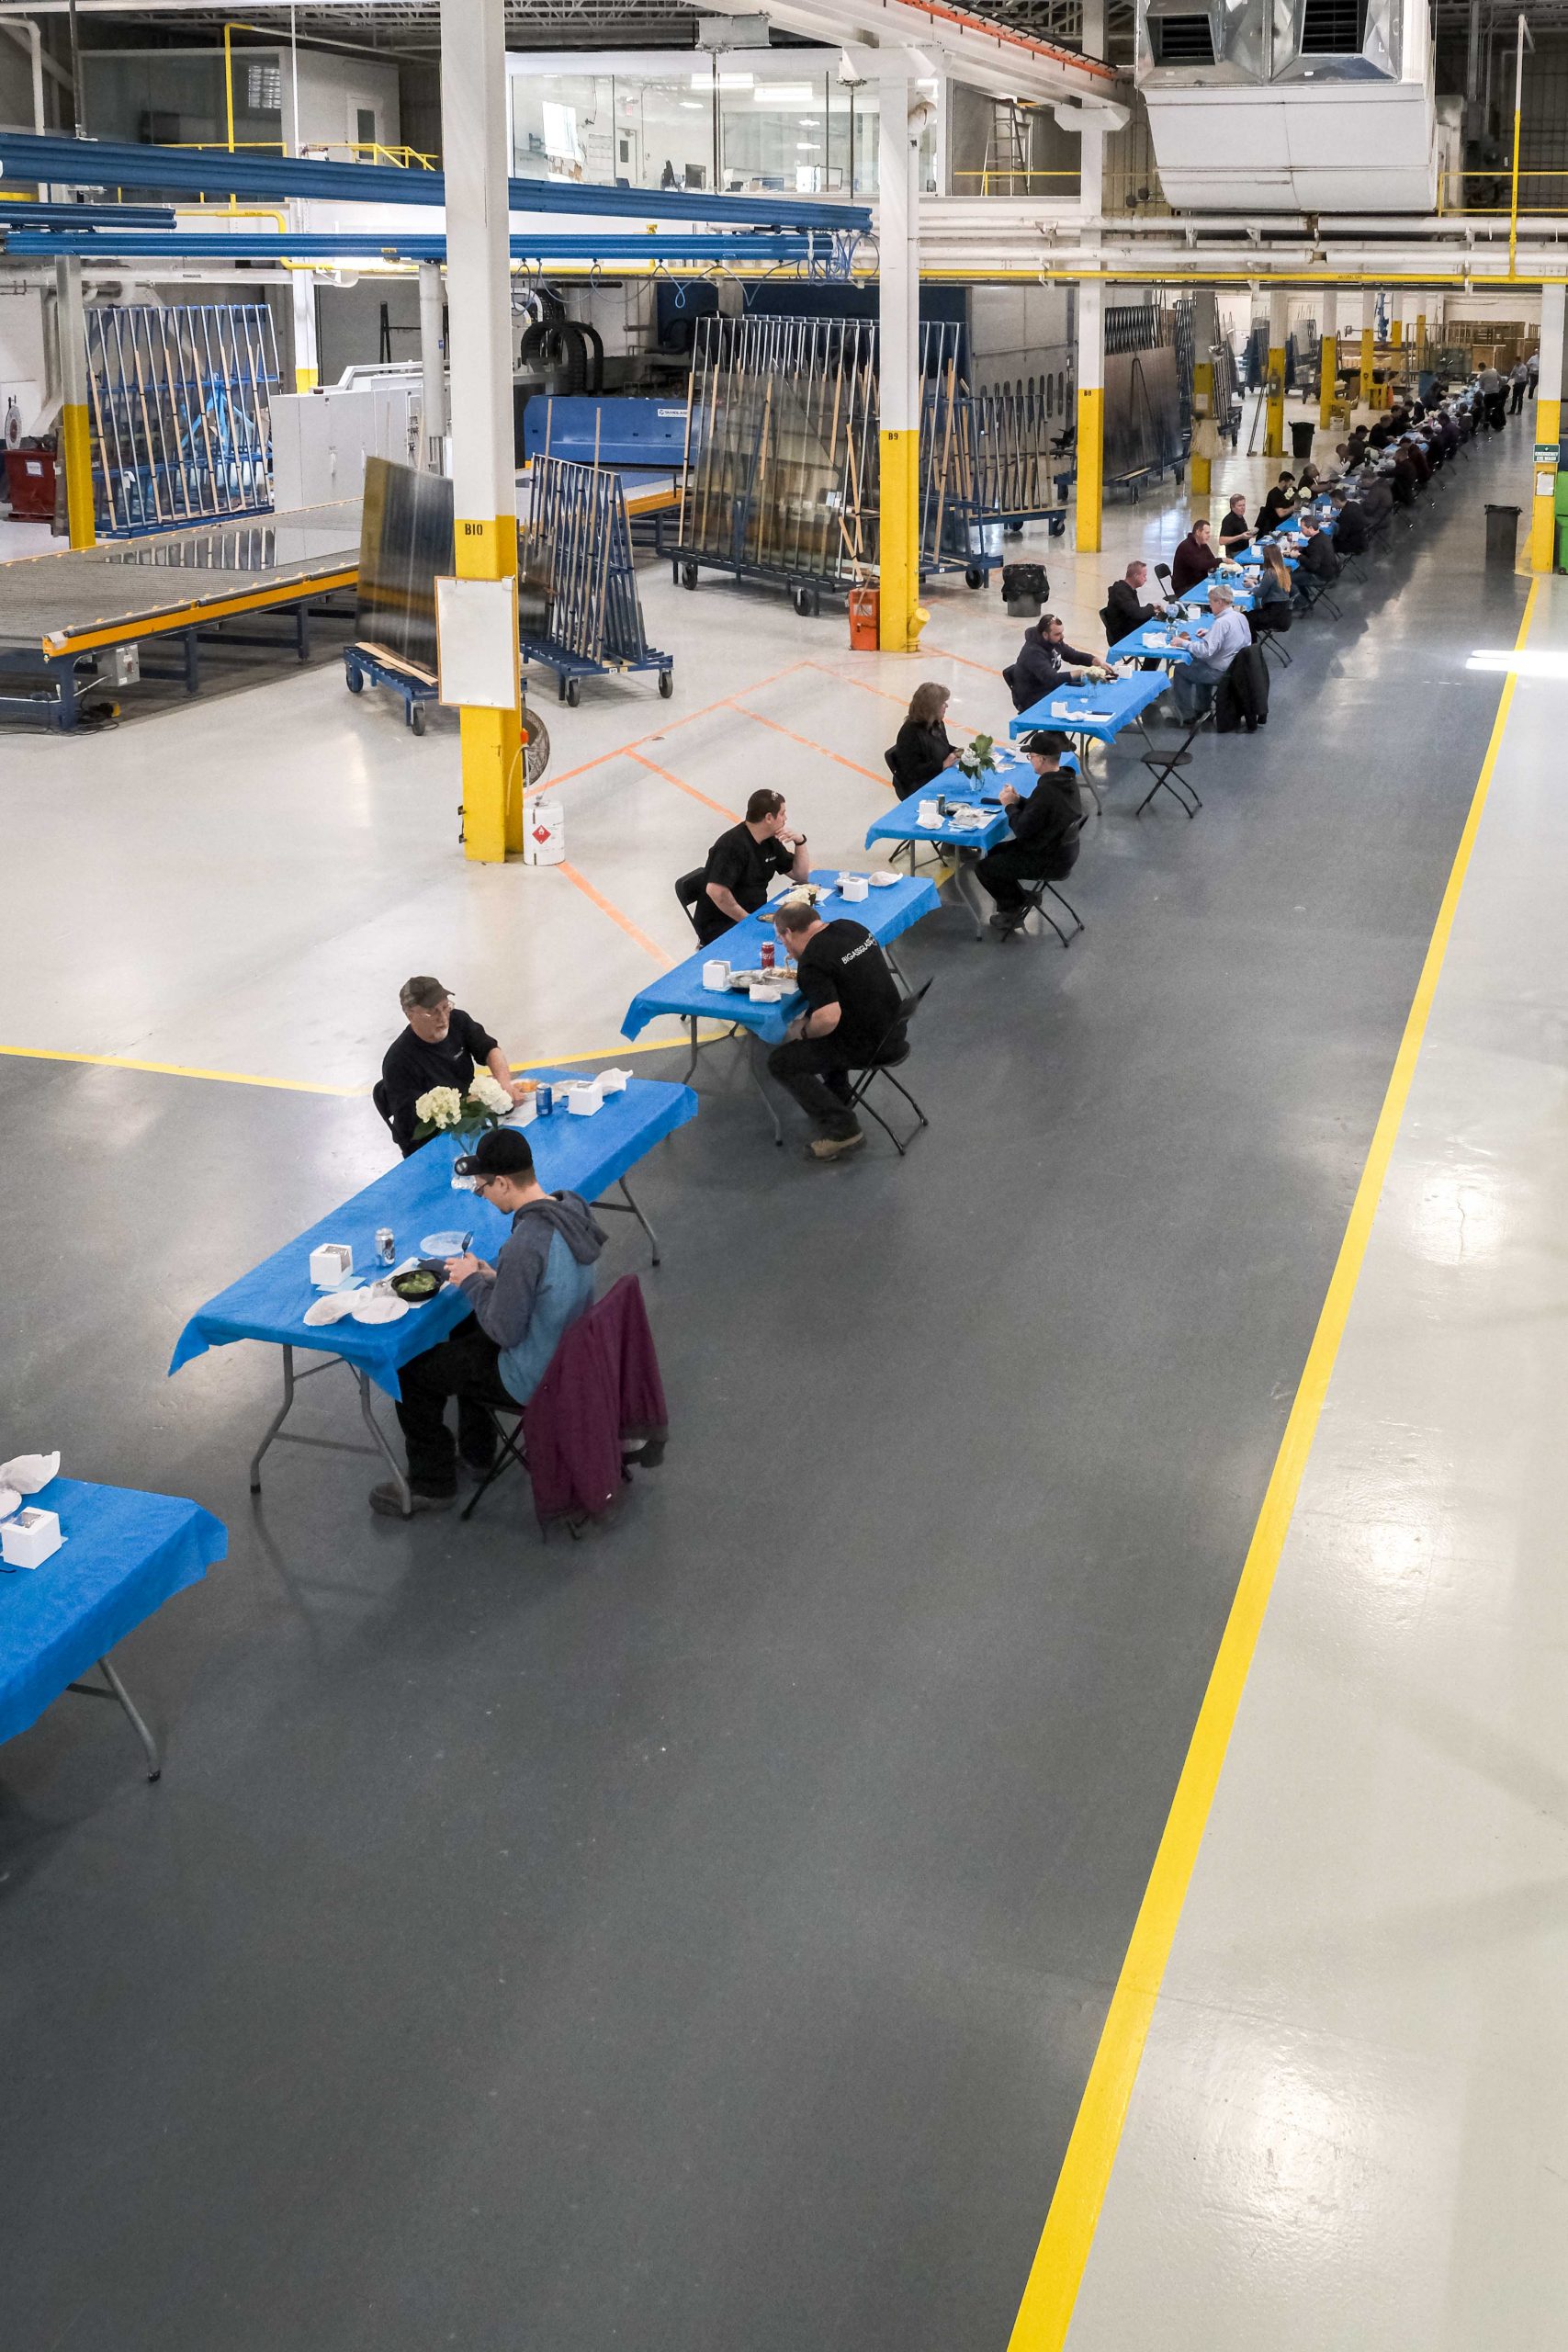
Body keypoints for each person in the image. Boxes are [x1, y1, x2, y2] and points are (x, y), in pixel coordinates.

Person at [372, 1129, 605, 1515]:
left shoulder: (525, 1242)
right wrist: (496, 1278)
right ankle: (478, 1455)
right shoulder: (571, 1210)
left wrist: (471, 1281)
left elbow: (504, 1332)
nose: (483, 1196)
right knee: (466, 1330)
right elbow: (549, 1280)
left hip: (532, 1373)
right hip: (568, 1353)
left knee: (412, 1373)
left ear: (503, 1182)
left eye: (483, 1188)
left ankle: (434, 1484)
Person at [765, 895, 905, 1161]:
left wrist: (802, 1032)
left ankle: (843, 1130)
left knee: (782, 1061)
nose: (784, 946)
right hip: (893, 1028)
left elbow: (828, 1018)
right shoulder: (852, 927)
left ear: (789, 932)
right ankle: (838, 1096)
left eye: (781, 939)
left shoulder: (813, 962)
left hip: (869, 1045)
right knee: (825, 1036)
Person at [380, 978, 529, 1159]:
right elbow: (411, 1129)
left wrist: (505, 1084)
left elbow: (490, 1049)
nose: (443, 1018)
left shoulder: (459, 1021)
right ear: (410, 1015)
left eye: (445, 1007)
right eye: (431, 1012)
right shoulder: (398, 1061)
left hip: (472, 1123)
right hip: (436, 1142)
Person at [972, 729, 1084, 936]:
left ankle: (1011, 911)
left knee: (985, 867)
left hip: (1048, 859)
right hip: (1063, 850)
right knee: (996, 850)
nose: (1030, 760)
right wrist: (1019, 801)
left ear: (1041, 759)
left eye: (1031, 756)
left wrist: (1008, 807)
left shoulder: (1046, 790)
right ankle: (1020, 898)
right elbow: (1040, 811)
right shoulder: (1065, 780)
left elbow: (1022, 829)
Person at [693, 788, 809, 946]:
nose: (785, 818)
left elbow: (800, 876)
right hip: (724, 926)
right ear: (769, 818)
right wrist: (747, 921)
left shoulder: (770, 839)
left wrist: (800, 841)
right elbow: (716, 891)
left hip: (756, 915)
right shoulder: (731, 846)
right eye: (782, 813)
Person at [1170, 581, 1250, 722]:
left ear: (1219, 602)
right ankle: (1202, 708)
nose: (1210, 606)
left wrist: (1184, 643)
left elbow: (1205, 651)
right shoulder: (1240, 616)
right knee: (1199, 663)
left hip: (1220, 672)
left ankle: (1187, 716)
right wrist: (1210, 632)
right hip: (1236, 667)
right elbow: (1238, 638)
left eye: (1211, 603)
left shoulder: (1221, 623)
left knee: (1181, 669)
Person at [1005, 614, 1097, 712]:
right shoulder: (1033, 652)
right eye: (1057, 634)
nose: (1062, 637)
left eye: (1062, 633)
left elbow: (1073, 655)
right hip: (1033, 697)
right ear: (1045, 634)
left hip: (1047, 688)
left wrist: (1094, 660)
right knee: (1077, 704)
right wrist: (1079, 673)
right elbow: (1052, 679)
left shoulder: (1055, 642)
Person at [889, 681, 958, 799]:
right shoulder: (910, 733)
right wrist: (942, 765)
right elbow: (912, 772)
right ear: (932, 708)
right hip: (920, 786)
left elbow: (943, 747)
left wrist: (958, 752)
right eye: (943, 703)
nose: (946, 706)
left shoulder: (937, 723)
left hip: (937, 776)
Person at [1104, 559, 1168, 643]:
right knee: (1157, 638)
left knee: (1158, 631)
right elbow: (1137, 614)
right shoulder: (1121, 592)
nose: (1146, 579)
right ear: (1136, 576)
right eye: (1144, 576)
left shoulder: (1128, 590)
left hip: (1129, 626)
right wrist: (1152, 606)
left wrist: (1153, 611)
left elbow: (1134, 611)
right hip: (1122, 634)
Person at [1292, 514, 1339, 608]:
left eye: (1303, 528)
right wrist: (1301, 549)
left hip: (1321, 576)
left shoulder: (1315, 543)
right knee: (1297, 573)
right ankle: (1305, 598)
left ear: (1310, 528)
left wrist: (1299, 556)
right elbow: (1314, 552)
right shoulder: (1322, 536)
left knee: (1288, 579)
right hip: (1330, 572)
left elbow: (1312, 566)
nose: (1301, 531)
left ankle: (1302, 602)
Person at [1248, 542, 1293, 639]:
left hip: (1272, 616)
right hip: (1284, 614)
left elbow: (1260, 593)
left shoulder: (1270, 573)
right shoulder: (1284, 571)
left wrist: (1252, 586)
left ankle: (1252, 645)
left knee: (1245, 618)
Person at [1170, 516, 1218, 597]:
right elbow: (1199, 565)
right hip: (1185, 587)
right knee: (1215, 598)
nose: (1209, 536)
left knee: (1221, 592)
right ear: (1198, 532)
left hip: (1199, 582)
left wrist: (1213, 567)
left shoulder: (1203, 545)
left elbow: (1212, 561)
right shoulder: (1186, 547)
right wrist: (1221, 560)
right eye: (1207, 533)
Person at [1328, 488, 1369, 557]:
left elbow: (1341, 537)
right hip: (1362, 537)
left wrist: (1331, 537)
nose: (1332, 505)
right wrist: (1336, 519)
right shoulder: (1353, 504)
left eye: (1332, 502)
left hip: (1354, 543)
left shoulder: (1346, 514)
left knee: (1327, 545)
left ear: (1337, 501)